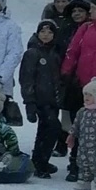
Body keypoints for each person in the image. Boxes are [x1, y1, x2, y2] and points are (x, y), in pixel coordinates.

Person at [19, 15, 64, 178]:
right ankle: (40, 161)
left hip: (53, 100)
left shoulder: (55, 53)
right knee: (52, 128)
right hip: (39, 100)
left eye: (49, 32)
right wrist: (29, 102)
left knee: (45, 131)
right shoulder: (32, 53)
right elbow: (26, 79)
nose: (46, 34)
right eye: (42, 31)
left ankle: (40, 160)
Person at [56, 0, 93, 179]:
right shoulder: (65, 30)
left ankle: (87, 163)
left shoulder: (93, 31)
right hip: (70, 83)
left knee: (89, 127)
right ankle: (74, 162)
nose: (77, 14)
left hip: (90, 84)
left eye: (81, 11)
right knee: (72, 124)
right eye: (74, 11)